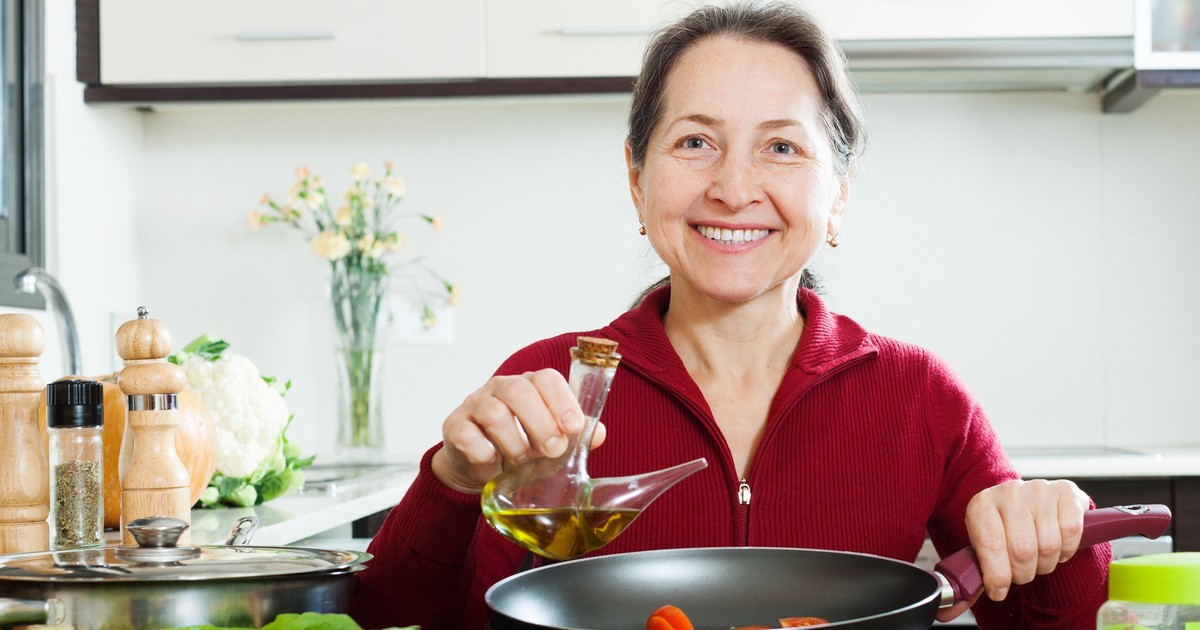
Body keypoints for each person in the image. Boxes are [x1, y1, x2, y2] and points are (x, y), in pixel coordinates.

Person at [352, 3, 1109, 628]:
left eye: (781, 146)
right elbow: (395, 613)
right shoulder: (546, 384)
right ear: (636, 176)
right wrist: (452, 479)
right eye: (695, 143)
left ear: (838, 192)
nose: (734, 187)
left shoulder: (920, 397)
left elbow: (1051, 621)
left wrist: (1054, 533)